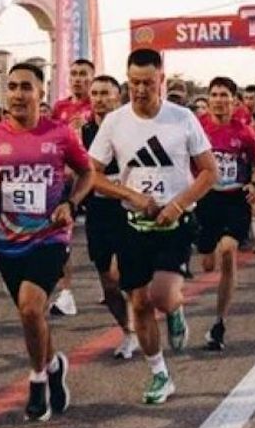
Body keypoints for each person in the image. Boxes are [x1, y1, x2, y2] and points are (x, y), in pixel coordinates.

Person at [0, 63, 93, 421]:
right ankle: (53, 366)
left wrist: (71, 203)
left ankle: (37, 381)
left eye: (26, 87)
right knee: (30, 316)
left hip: (50, 236)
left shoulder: (61, 134)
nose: (19, 94)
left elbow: (87, 172)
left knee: (32, 308)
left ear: (41, 92)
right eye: (13, 87)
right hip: (8, 240)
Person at [88, 49, 218, 404]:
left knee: (161, 294)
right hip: (134, 224)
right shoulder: (114, 122)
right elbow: (92, 175)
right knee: (141, 303)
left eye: (147, 82)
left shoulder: (183, 118)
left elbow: (209, 171)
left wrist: (177, 205)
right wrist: (130, 194)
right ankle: (160, 374)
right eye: (134, 83)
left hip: (176, 224)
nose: (140, 90)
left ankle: (175, 308)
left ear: (162, 80)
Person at [196, 77, 255, 351]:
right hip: (205, 199)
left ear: (233, 100)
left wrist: (254, 184)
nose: (219, 100)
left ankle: (219, 322)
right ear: (208, 97)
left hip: (235, 199)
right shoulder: (198, 127)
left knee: (228, 251)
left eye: (224, 95)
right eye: (214, 94)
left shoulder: (245, 132)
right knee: (207, 263)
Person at [80, 75, 138, 359]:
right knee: (108, 281)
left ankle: (154, 316)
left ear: (118, 97)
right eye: (95, 93)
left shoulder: (132, 128)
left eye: (106, 93)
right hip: (98, 210)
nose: (100, 98)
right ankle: (128, 331)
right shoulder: (83, 132)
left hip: (128, 207)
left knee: (125, 273)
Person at [48, 58, 95, 317]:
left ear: (92, 77)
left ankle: (112, 282)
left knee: (102, 238)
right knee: (62, 230)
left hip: (96, 178)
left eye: (83, 74)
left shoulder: (99, 104)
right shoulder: (61, 107)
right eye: (74, 73)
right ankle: (67, 293)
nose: (78, 78)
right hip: (68, 180)